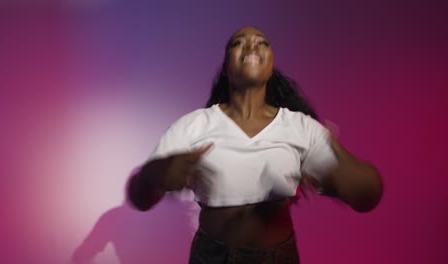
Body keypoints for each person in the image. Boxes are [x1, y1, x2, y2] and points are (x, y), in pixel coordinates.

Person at [126, 26, 383, 264]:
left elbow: (366, 196)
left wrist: (339, 168)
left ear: (270, 66)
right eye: (239, 42)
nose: (252, 46)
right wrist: (154, 174)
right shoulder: (193, 125)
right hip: (212, 257)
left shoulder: (301, 127)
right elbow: (139, 198)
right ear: (226, 66)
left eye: (262, 43)